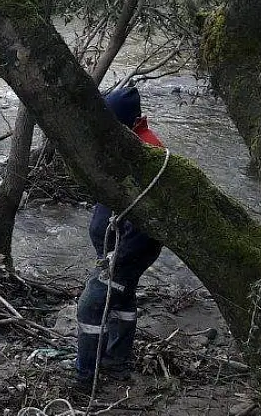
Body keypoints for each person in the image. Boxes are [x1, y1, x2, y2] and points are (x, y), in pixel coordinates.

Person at [74, 85, 164, 388]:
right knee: (122, 300)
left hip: (129, 250)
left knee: (91, 305)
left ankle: (87, 378)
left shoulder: (148, 154)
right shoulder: (126, 144)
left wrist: (115, 258)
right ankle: (116, 364)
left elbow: (145, 225)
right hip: (118, 247)